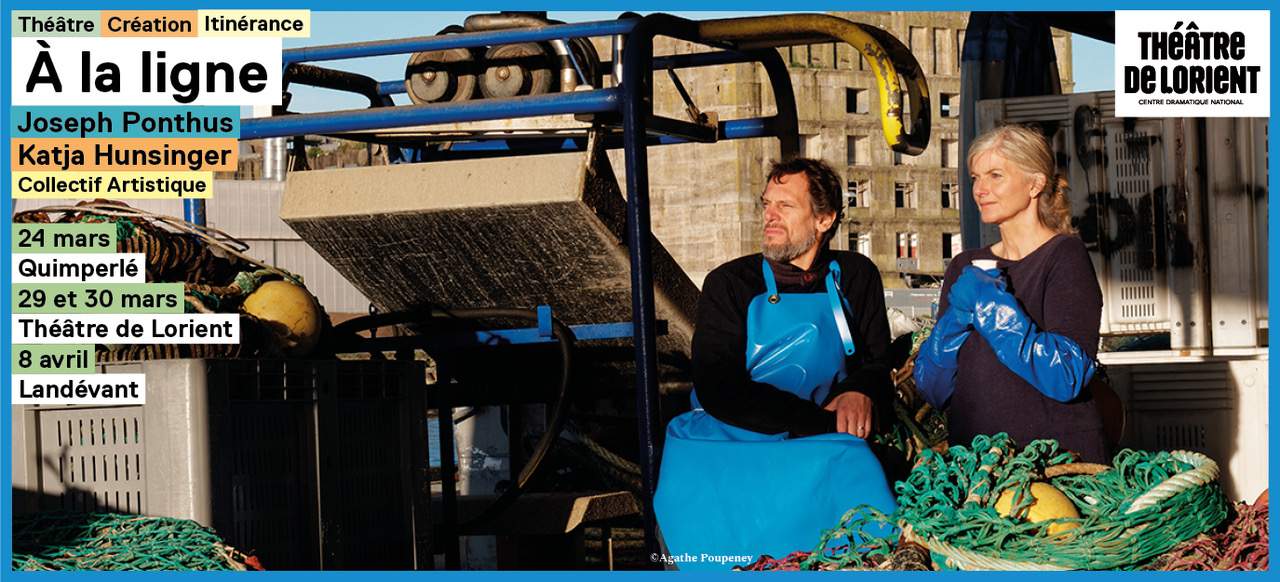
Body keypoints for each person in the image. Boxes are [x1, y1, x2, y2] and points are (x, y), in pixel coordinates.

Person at [653, 158, 897, 570]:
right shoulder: (729, 284)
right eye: (767, 204)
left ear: (824, 219)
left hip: (822, 448)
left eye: (785, 206)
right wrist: (817, 422)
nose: (769, 216)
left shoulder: (857, 275)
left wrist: (860, 391)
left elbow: (876, 360)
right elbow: (720, 389)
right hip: (728, 445)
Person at [913, 124, 1107, 462]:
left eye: (995, 175)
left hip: (1056, 462)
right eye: (975, 178)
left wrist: (994, 312)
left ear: (1035, 183)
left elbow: (1067, 376)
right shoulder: (965, 266)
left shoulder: (1064, 255)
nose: (980, 190)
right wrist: (953, 325)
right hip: (975, 464)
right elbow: (934, 389)